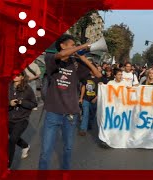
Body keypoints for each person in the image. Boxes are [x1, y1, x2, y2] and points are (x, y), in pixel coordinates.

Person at [38, 34, 102, 170]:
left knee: (68, 148)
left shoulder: (76, 64)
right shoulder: (51, 59)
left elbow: (98, 75)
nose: (74, 48)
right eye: (72, 45)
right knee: (46, 150)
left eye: (75, 46)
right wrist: (83, 46)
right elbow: (61, 55)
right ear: (62, 45)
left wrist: (83, 58)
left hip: (70, 114)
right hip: (53, 112)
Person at [8, 71, 37, 169]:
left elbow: (34, 104)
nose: (15, 76)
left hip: (22, 119)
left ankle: (7, 167)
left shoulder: (27, 89)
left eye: (18, 75)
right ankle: (25, 146)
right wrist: (9, 104)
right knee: (14, 137)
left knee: (11, 140)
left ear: (22, 77)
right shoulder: (7, 86)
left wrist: (21, 102)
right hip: (9, 118)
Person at [78, 63, 102, 136]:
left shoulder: (99, 78)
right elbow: (83, 87)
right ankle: (83, 129)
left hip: (95, 99)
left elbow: (101, 89)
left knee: (92, 114)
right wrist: (81, 98)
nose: (90, 71)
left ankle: (89, 123)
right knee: (85, 113)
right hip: (86, 99)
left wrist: (96, 98)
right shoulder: (86, 77)